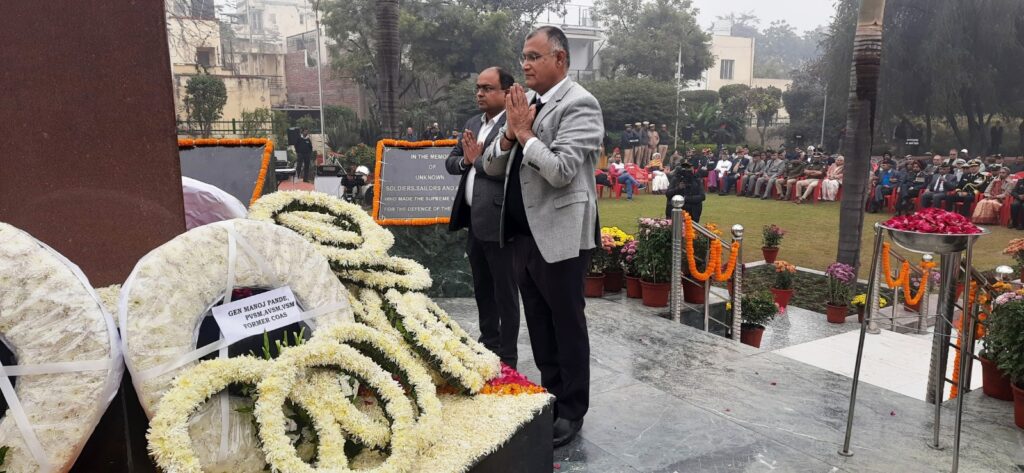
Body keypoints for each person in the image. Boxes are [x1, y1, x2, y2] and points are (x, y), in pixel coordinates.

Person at [482, 26, 602, 447]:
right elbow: (490, 165)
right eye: (524, 57)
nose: (526, 65)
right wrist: (510, 132)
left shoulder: (580, 104)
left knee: (566, 324)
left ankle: (572, 410)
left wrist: (525, 134)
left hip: (561, 235)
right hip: (522, 236)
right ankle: (552, 396)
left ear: (560, 59)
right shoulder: (526, 105)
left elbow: (562, 170)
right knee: (538, 323)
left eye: (534, 56)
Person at [446, 66, 520, 368]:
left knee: (505, 292)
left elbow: (507, 169)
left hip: (501, 222)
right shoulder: (473, 124)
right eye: (478, 88)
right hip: (474, 222)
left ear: (506, 92)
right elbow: (451, 162)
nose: (480, 93)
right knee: (482, 288)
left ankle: (508, 355)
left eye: (487, 88)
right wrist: (465, 161)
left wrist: (476, 161)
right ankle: (489, 342)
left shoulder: (513, 123)